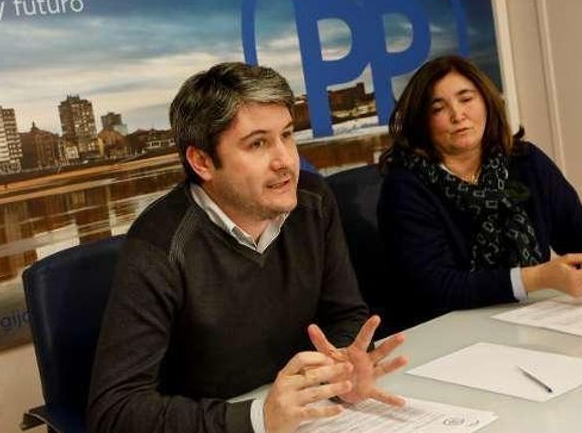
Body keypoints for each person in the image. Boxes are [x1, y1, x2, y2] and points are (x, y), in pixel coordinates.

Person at [88, 62, 407, 433]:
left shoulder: (312, 200)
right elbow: (113, 410)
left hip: (306, 417)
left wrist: (339, 371)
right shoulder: (158, 245)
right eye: (258, 143)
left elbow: (345, 315)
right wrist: (257, 418)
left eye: (287, 135)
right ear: (202, 161)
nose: (286, 160)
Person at [377, 54, 582, 330]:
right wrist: (536, 278)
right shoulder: (406, 187)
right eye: (438, 108)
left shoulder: (525, 160)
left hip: (531, 318)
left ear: (486, 101)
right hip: (448, 331)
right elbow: (435, 286)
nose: (457, 115)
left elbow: (577, 229)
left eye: (466, 99)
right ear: (421, 121)